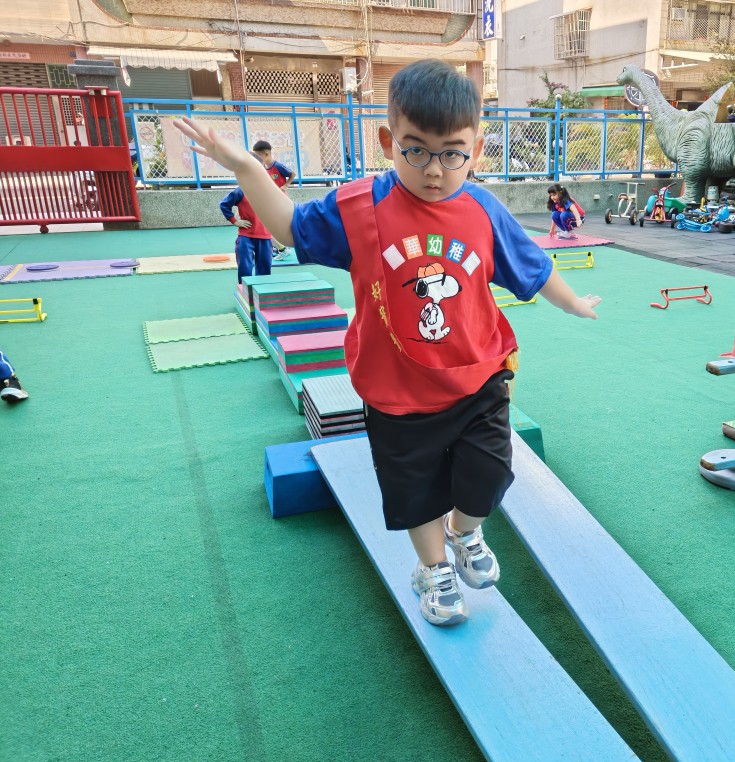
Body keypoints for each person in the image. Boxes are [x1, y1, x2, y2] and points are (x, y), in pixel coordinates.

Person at [174, 59, 601, 627]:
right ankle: (435, 569)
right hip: (398, 391)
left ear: (476, 150)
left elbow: (531, 265)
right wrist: (249, 169)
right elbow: (290, 228)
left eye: (452, 153)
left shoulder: (482, 209)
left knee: (490, 474)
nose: (434, 170)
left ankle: (464, 533)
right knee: (414, 491)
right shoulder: (360, 207)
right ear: (387, 142)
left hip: (476, 377)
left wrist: (571, 301)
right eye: (415, 150)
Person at [220, 161, 273, 284]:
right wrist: (234, 221)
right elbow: (224, 204)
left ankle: (262, 291)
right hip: (246, 236)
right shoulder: (241, 191)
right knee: (245, 267)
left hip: (265, 237)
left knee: (264, 268)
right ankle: (245, 291)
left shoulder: (269, 191)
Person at [252, 140, 295, 258]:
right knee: (268, 225)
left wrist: (286, 185)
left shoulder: (277, 166)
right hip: (271, 199)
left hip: (280, 200)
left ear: (266, 154)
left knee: (268, 226)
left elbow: (292, 174)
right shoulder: (264, 167)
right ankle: (279, 247)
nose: (257, 159)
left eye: (258, 156)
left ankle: (282, 248)